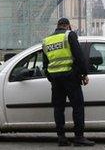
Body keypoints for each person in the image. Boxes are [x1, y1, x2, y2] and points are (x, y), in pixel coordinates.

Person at [42, 18, 95, 147]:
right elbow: (79, 55)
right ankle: (79, 137)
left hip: (56, 79)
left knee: (58, 108)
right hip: (70, 77)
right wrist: (84, 74)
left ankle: (61, 138)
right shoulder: (69, 35)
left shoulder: (46, 40)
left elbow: (45, 64)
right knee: (77, 106)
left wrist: (51, 77)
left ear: (57, 26)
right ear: (68, 26)